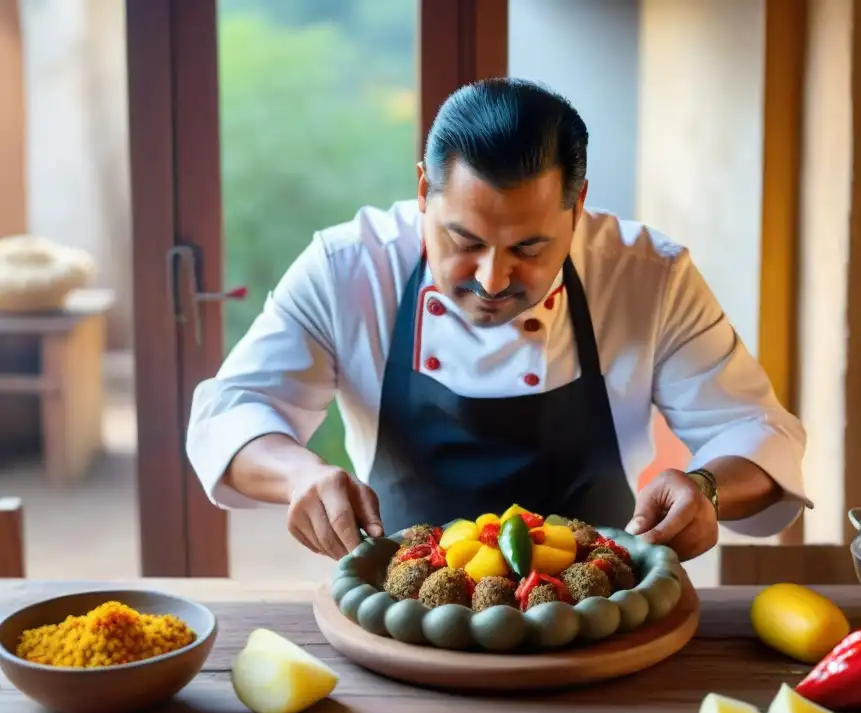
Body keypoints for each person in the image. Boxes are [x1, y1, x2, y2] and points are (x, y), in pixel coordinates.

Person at [186, 77, 813, 563]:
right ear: (425, 187)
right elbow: (230, 412)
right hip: (403, 609)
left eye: (528, 249)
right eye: (463, 240)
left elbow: (757, 431)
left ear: (579, 206)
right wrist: (300, 472)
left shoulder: (650, 275)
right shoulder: (348, 267)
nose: (491, 279)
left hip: (595, 612)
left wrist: (704, 487)